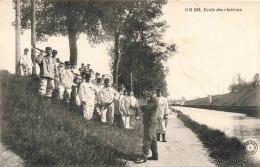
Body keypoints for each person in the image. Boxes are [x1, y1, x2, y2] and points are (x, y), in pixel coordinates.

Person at [135, 90, 158, 163]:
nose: (147, 93)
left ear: (153, 93)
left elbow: (146, 108)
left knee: (147, 139)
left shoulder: (154, 100)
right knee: (153, 139)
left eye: (149, 92)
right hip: (150, 122)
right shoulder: (151, 100)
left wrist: (139, 106)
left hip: (150, 122)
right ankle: (155, 155)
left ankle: (143, 157)